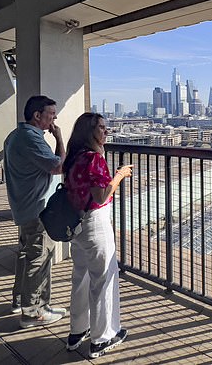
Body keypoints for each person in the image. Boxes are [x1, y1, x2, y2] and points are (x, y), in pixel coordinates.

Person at [62, 113, 132, 358]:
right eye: (101, 128)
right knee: (103, 279)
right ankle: (102, 338)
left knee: (80, 277)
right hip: (95, 222)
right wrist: (120, 175)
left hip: (76, 224)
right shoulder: (94, 159)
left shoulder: (73, 157)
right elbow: (101, 196)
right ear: (90, 132)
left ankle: (77, 331)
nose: (106, 132)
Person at [3, 95, 67, 328]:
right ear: (37, 115)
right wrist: (59, 137)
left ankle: (23, 301)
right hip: (37, 208)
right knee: (39, 258)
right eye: (51, 114)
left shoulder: (15, 135)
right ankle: (33, 312)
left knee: (27, 254)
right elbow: (58, 166)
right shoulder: (31, 138)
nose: (55, 118)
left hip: (23, 205)